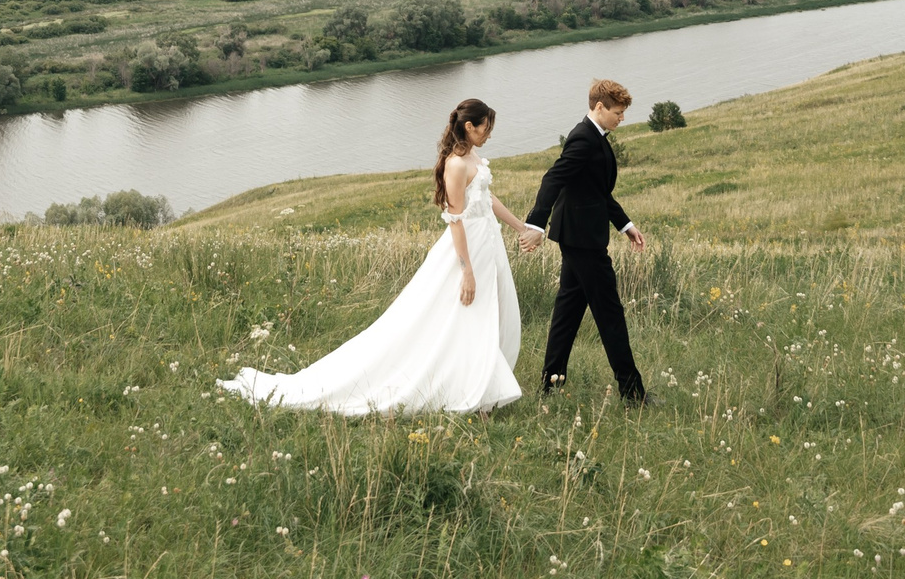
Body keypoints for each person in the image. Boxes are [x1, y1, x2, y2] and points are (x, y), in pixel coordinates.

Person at [219, 98, 533, 414]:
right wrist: (466, 270)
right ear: (469, 127)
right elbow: (456, 220)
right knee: (457, 316)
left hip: (487, 242)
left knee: (487, 314)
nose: (489, 134)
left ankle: (481, 386)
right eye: (486, 128)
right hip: (468, 249)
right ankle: (467, 388)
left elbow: (485, 197)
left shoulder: (473, 156)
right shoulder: (455, 164)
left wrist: (520, 227)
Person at [519, 78, 648, 403]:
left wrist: (625, 225)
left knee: (568, 311)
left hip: (579, 235)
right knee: (610, 313)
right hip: (582, 240)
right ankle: (632, 393)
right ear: (599, 107)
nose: (622, 118)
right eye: (618, 112)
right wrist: (535, 223)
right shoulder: (583, 139)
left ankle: (550, 385)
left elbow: (597, 191)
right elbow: (553, 178)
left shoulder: (597, 137)